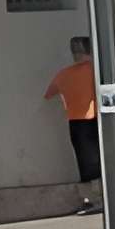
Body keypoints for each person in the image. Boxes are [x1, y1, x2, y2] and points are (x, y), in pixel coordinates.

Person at [44, 34, 102, 214]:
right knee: (100, 159)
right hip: (96, 119)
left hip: (76, 122)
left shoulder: (64, 74)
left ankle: (90, 199)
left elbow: (49, 94)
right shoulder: (96, 70)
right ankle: (104, 196)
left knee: (84, 162)